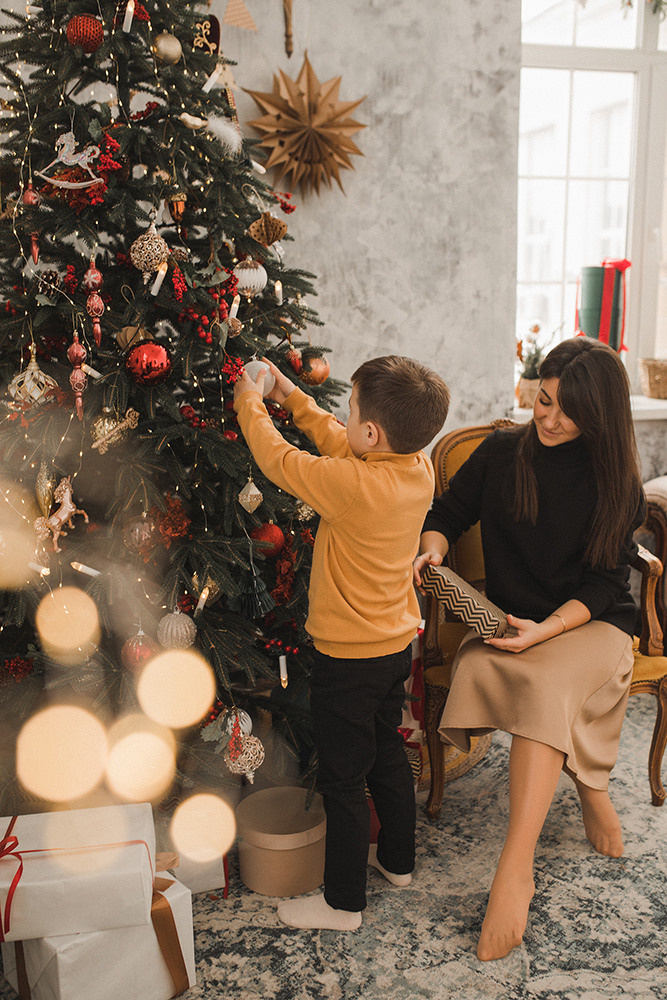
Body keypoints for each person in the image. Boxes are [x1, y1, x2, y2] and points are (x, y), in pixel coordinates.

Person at [413, 336, 645, 962]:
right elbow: (447, 512)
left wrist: (544, 632)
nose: (548, 419)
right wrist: (433, 549)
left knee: (543, 682)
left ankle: (515, 869)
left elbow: (604, 587)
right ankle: (591, 788)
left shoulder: (614, 474)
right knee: (517, 671)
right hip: (509, 623)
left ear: (597, 418)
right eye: (543, 400)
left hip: (591, 624)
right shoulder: (503, 451)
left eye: (567, 412)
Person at [233, 354, 450, 930]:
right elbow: (336, 439)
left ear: (372, 433)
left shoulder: (352, 485)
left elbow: (280, 460)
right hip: (394, 645)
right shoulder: (415, 469)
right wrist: (292, 394)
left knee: (342, 779)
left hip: (347, 657)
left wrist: (250, 402)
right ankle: (398, 861)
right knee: (384, 750)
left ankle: (342, 903)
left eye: (351, 409)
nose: (344, 417)